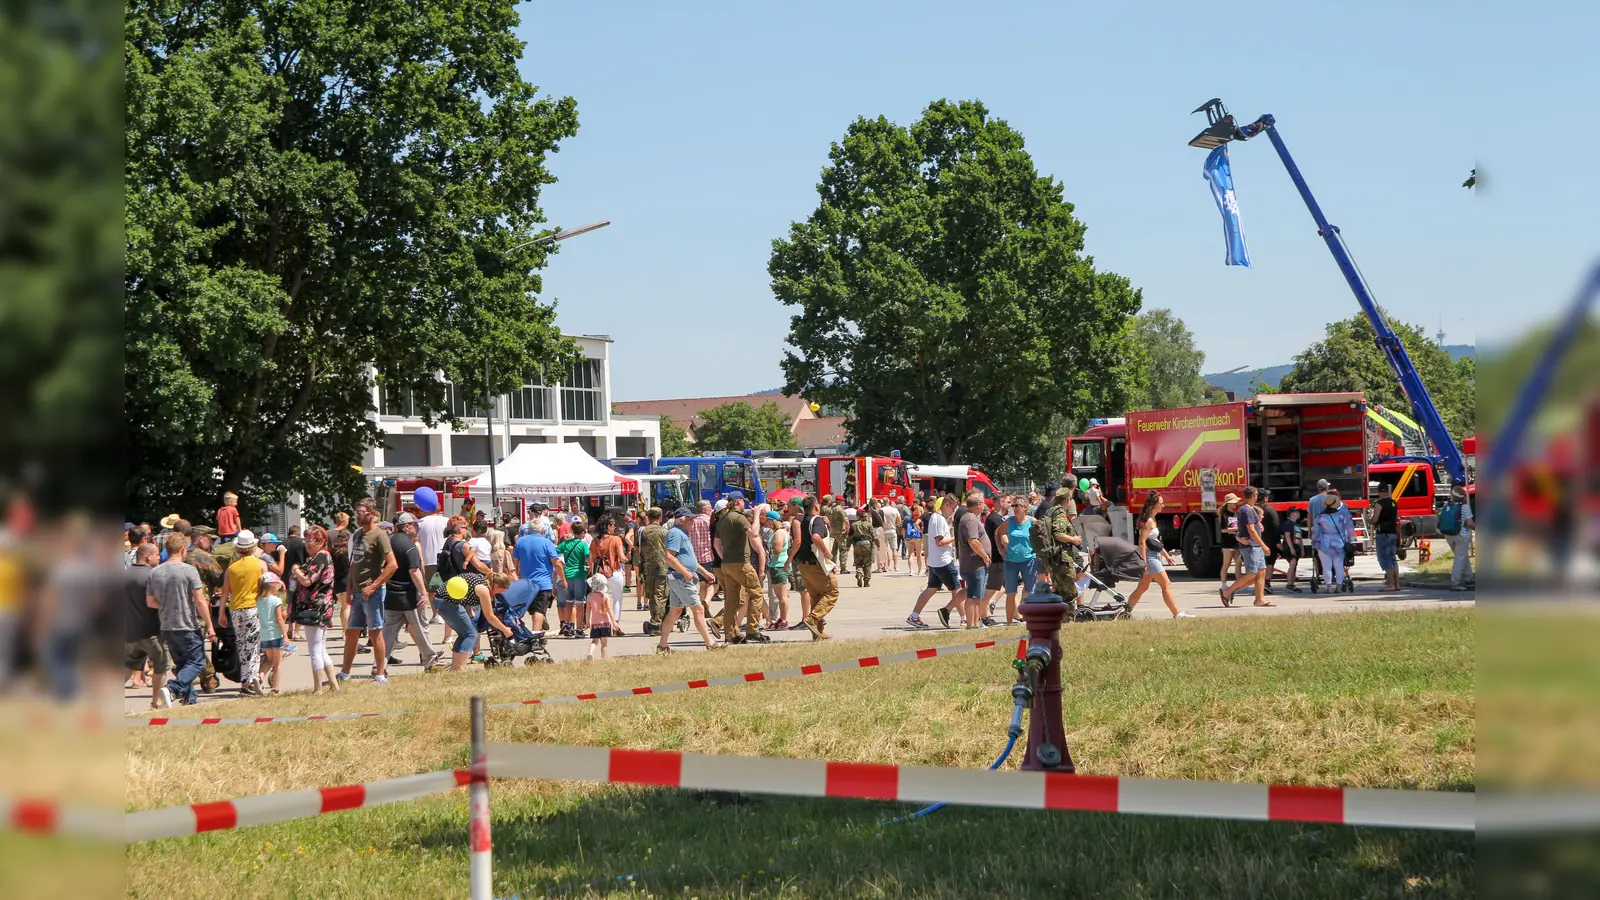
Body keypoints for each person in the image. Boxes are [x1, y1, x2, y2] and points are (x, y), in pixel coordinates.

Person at [147, 532, 214, 706]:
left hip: (167, 625)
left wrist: (167, 605)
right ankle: (172, 689)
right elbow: (199, 600)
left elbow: (150, 601)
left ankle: (189, 699)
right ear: (183, 550)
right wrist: (210, 625)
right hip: (187, 624)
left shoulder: (155, 572)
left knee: (183, 663)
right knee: (197, 662)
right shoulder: (188, 570)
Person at [341, 499, 396, 685]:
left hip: (373, 593)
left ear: (372, 514)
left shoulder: (379, 535)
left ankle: (380, 674)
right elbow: (353, 565)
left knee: (375, 633)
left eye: (362, 512)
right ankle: (344, 673)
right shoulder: (356, 535)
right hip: (356, 593)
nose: (358, 515)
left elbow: (392, 565)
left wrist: (374, 586)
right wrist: (349, 590)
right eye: (356, 511)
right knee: (351, 633)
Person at [383, 513, 440, 669]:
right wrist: (423, 593)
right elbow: (414, 571)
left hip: (392, 594)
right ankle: (430, 659)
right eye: (415, 525)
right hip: (409, 596)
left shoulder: (390, 541)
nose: (417, 527)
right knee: (420, 628)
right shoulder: (409, 546)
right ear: (407, 526)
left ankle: (379, 664)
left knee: (388, 634)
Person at [657, 507, 719, 653]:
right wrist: (685, 573)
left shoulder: (683, 533)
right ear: (681, 520)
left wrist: (704, 571)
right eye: (690, 519)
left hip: (682, 576)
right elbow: (669, 557)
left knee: (675, 611)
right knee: (698, 609)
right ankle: (710, 643)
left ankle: (662, 646)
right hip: (680, 578)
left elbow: (688, 559)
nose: (693, 522)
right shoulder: (676, 533)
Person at [289, 525, 340, 694]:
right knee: (320, 648)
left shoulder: (321, 557)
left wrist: (295, 569)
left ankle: (318, 688)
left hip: (316, 608)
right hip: (317, 607)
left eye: (311, 540)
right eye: (306, 540)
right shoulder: (317, 557)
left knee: (314, 650)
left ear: (322, 541)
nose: (307, 544)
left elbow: (307, 581)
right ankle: (334, 685)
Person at [1127, 492, 1194, 619]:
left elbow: (1155, 541)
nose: (1163, 505)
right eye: (1160, 503)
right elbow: (1142, 542)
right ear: (1153, 505)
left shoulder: (1153, 519)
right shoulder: (1148, 521)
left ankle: (1125, 612)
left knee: (1142, 588)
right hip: (1150, 558)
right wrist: (1144, 562)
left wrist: (1166, 555)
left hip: (1153, 556)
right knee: (1166, 585)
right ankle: (1177, 614)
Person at [432, 572, 514, 671]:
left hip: (444, 600)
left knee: (464, 634)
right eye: (500, 591)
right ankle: (460, 668)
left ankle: (456, 667)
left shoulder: (481, 580)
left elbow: (466, 591)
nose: (500, 594)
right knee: (470, 634)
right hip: (446, 603)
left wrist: (469, 609)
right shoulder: (483, 589)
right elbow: (490, 616)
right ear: (496, 585)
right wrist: (505, 630)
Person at [715, 492, 769, 643]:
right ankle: (753, 630)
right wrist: (757, 514)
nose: (744, 504)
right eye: (743, 502)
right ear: (738, 501)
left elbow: (716, 544)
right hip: (741, 562)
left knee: (731, 599)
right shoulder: (739, 517)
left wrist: (724, 557)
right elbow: (754, 533)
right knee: (756, 593)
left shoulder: (723, 519)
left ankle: (731, 634)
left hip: (727, 564)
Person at [124, 543, 171, 708]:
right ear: (148, 556)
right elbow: (159, 601)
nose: (160, 557)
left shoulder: (124, 574)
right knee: (161, 665)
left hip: (130, 631)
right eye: (157, 554)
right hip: (152, 630)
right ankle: (156, 702)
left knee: (129, 665)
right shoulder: (153, 575)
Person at [221, 529, 268, 696]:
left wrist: (221, 613)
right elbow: (267, 588)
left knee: (242, 644)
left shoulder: (231, 568)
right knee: (254, 645)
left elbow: (225, 592)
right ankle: (251, 678)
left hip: (236, 609)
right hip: (254, 607)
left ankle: (246, 679)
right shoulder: (261, 565)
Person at [906, 498, 960, 628]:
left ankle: (914, 615)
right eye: (952, 508)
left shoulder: (935, 518)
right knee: (958, 590)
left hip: (935, 561)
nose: (952, 512)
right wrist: (955, 538)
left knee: (931, 589)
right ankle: (964, 618)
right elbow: (939, 542)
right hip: (943, 561)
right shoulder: (939, 519)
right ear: (947, 504)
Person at [794, 495, 839, 641]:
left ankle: (818, 632)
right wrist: (828, 553)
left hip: (804, 563)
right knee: (832, 592)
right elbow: (816, 537)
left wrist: (827, 525)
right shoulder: (817, 520)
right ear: (816, 506)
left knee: (816, 596)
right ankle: (812, 619)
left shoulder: (802, 520)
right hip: (817, 563)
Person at [511, 516, 566, 635]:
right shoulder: (547, 543)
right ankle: (536, 634)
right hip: (543, 582)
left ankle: (537, 630)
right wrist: (563, 579)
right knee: (539, 610)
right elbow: (556, 563)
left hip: (526, 583)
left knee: (533, 609)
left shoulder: (520, 542)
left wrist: (516, 577)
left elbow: (514, 562)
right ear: (542, 530)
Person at [1221, 487, 1272, 608]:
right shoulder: (1246, 510)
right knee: (1252, 574)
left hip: (1255, 546)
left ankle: (1260, 600)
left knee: (1261, 572)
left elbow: (1252, 525)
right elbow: (1251, 530)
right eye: (1256, 495)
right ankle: (1227, 592)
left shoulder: (1250, 509)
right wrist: (1263, 545)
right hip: (1250, 547)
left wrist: (1259, 525)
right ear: (1254, 496)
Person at [996, 495, 1037, 626]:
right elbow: (998, 532)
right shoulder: (1009, 521)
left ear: (1025, 508)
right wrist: (1000, 548)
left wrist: (1038, 550)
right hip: (1010, 561)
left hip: (1028, 560)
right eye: (1013, 506)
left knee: (1030, 591)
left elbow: (1042, 536)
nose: (1015, 508)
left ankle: (1029, 618)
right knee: (1010, 592)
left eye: (1017, 506)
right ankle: (1009, 623)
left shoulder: (1032, 521)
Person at [955, 494, 993, 630]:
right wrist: (984, 555)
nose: (984, 506)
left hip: (977, 563)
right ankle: (971, 624)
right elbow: (973, 541)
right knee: (973, 595)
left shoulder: (971, 518)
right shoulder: (970, 519)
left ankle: (976, 623)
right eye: (982, 503)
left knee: (978, 595)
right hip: (974, 564)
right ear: (978, 505)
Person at [1042, 487, 1083, 608]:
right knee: (1069, 592)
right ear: (1067, 500)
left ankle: (1057, 616)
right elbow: (1058, 534)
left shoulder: (1050, 511)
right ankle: (1067, 619)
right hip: (1062, 559)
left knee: (1059, 590)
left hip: (1053, 558)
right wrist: (1073, 539)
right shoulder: (1059, 513)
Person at [1312, 489, 1355, 592]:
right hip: (1339, 544)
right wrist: (1350, 540)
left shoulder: (1320, 518)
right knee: (1339, 565)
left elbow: (1316, 533)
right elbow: (1348, 529)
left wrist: (1314, 543)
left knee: (1326, 567)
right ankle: (1339, 587)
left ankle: (1328, 587)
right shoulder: (1341, 516)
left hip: (1324, 544)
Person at [638, 508, 671, 636]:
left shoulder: (642, 531)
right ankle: (656, 622)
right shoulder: (664, 532)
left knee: (651, 594)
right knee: (660, 595)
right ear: (660, 517)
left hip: (647, 568)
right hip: (662, 568)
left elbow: (638, 549)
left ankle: (655, 618)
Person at [556, 522, 592, 638]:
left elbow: (555, 550)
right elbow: (588, 557)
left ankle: (567, 626)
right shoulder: (583, 545)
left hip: (567, 575)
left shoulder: (566, 544)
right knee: (580, 603)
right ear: (581, 533)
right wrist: (589, 568)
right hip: (579, 574)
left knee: (569, 602)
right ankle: (579, 628)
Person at [590, 519, 626, 634]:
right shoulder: (616, 539)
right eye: (613, 525)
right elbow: (622, 557)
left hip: (599, 575)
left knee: (600, 600)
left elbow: (590, 559)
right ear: (608, 526)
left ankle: (602, 624)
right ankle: (615, 625)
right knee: (616, 599)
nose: (614, 527)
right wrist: (629, 556)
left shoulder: (594, 541)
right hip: (613, 573)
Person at [1438, 488, 1475, 591]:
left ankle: (1469, 577)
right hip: (1461, 535)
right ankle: (1455, 582)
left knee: (1462, 556)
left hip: (1448, 535)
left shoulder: (1447, 506)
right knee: (1460, 558)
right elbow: (1469, 523)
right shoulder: (1464, 507)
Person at [257, 572, 287, 693]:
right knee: (278, 664)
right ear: (273, 586)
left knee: (269, 660)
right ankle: (275, 688)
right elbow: (279, 619)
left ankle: (260, 677)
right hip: (275, 634)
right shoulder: (276, 601)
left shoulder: (259, 600)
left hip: (264, 635)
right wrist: (285, 636)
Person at [1370, 482, 1401, 592]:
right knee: (1393, 559)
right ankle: (1397, 584)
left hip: (1383, 533)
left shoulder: (1379, 503)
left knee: (1385, 559)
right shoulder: (1393, 503)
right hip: (1393, 533)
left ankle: (1390, 585)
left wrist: (1370, 520)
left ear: (1379, 492)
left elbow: (1375, 519)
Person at [764, 509, 790, 628]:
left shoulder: (779, 533)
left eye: (768, 520)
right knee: (781, 595)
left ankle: (784, 619)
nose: (766, 522)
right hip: (778, 565)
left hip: (778, 565)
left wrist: (768, 553)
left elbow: (778, 549)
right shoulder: (780, 531)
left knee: (781, 596)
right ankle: (782, 618)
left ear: (772, 520)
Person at [981, 498, 1005, 623]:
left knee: (1011, 588)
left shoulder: (994, 518)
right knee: (991, 589)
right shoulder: (996, 519)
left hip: (999, 559)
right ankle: (983, 616)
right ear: (1001, 502)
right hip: (997, 559)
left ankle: (1017, 615)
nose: (1011, 505)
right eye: (1008, 502)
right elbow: (1002, 538)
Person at [690, 500, 716, 606]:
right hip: (708, 555)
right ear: (704, 509)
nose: (711, 510)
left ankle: (701, 606)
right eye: (710, 508)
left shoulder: (692, 521)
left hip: (695, 558)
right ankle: (706, 601)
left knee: (702, 583)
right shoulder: (709, 520)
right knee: (713, 582)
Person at [1257, 490, 1282, 596]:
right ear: (1265, 498)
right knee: (1270, 562)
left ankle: (1259, 584)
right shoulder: (1270, 510)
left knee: (1260, 564)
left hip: (1257, 541)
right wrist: (1278, 542)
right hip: (1269, 541)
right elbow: (1276, 525)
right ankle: (1267, 584)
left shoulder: (1253, 510)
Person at [848, 508, 877, 587]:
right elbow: (874, 536)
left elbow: (849, 536)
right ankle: (866, 581)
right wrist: (878, 545)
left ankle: (859, 573)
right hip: (867, 544)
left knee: (858, 561)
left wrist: (847, 546)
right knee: (867, 563)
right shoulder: (869, 525)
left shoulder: (854, 525)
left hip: (857, 544)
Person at [1218, 494, 1242, 586]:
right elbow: (1223, 529)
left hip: (1237, 542)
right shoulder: (1224, 515)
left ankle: (1239, 584)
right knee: (1226, 564)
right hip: (1227, 543)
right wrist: (1236, 529)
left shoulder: (1236, 514)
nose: (1236, 503)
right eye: (1234, 502)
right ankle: (1224, 584)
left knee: (1239, 563)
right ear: (1229, 503)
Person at [1279, 508, 1304, 593]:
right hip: (1290, 547)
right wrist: (1291, 548)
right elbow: (1287, 536)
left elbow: (1300, 538)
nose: (1299, 513)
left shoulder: (1297, 524)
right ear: (1292, 513)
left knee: (1294, 564)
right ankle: (1289, 584)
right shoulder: (1288, 523)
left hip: (1297, 547)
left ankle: (1292, 583)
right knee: (1292, 564)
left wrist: (1302, 548)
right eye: (1297, 512)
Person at [825, 495, 849, 576]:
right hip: (840, 532)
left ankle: (832, 566)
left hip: (833, 531)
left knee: (834, 550)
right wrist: (848, 529)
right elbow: (846, 520)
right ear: (840, 501)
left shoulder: (831, 508)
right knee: (843, 550)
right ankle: (843, 568)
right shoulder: (840, 509)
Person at [904, 503, 925, 576]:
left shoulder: (907, 518)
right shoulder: (920, 518)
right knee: (918, 554)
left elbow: (904, 529)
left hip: (909, 537)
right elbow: (922, 528)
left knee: (910, 554)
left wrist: (905, 537)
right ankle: (919, 570)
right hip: (918, 537)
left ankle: (911, 570)